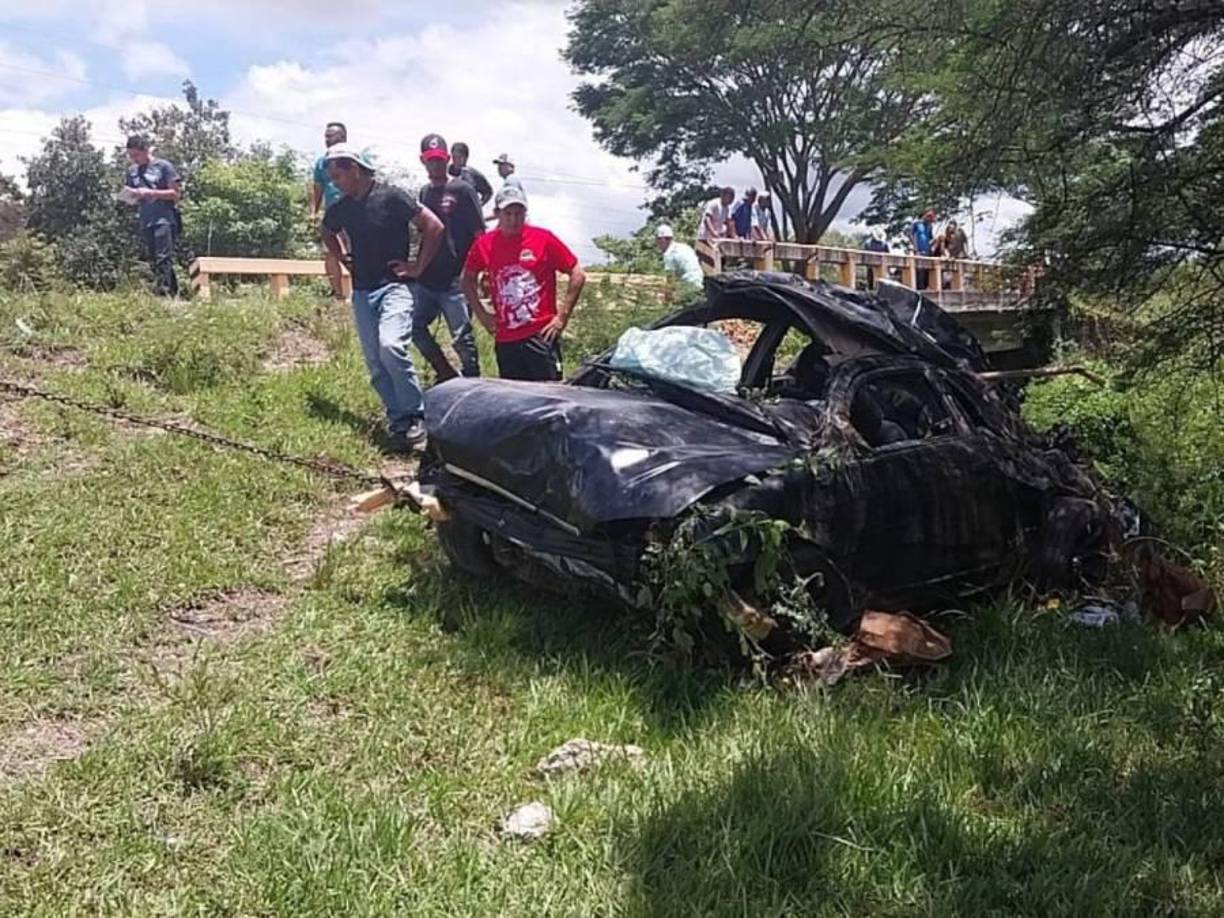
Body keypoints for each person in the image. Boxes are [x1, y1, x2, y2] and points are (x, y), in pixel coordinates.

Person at [322, 144, 445, 451]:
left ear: (355, 168)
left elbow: (433, 226)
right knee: (375, 362)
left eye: (338, 175)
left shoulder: (391, 196)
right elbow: (326, 231)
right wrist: (343, 257)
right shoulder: (342, 206)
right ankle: (399, 421)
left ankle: (417, 416)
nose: (334, 182)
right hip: (363, 291)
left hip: (395, 287)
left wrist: (417, 266)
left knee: (391, 347)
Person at [461, 185, 586, 381]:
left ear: (525, 213)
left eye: (519, 213)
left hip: (541, 334)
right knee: (514, 400)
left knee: (550, 397)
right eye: (508, 213)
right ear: (497, 214)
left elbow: (577, 273)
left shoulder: (543, 238)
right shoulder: (485, 244)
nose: (513, 219)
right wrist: (482, 314)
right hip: (506, 338)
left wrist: (562, 317)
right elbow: (467, 279)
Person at [414, 133, 482, 381]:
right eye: (430, 160)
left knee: (462, 338)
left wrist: (472, 272)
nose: (435, 165)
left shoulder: (463, 189)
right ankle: (445, 372)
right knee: (415, 328)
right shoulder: (424, 193)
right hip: (428, 276)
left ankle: (473, 382)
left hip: (455, 277)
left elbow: (479, 233)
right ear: (423, 161)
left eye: (440, 160)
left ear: (447, 159)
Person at [122, 135, 182, 297]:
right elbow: (130, 192)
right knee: (154, 260)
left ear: (146, 150)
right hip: (145, 219)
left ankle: (163, 294)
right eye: (130, 156)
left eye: (136, 155)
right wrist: (130, 197)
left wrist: (151, 192)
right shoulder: (132, 171)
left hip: (164, 218)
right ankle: (174, 293)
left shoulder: (163, 166)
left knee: (164, 257)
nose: (133, 159)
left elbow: (176, 194)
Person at [310, 121, 349, 299]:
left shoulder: (354, 158)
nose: (327, 139)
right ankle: (337, 294)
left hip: (355, 210)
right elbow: (317, 187)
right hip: (333, 213)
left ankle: (361, 291)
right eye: (326, 136)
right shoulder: (321, 162)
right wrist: (313, 211)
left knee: (358, 250)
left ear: (342, 137)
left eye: (331, 136)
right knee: (331, 252)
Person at [448, 141, 493, 206]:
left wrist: (479, 205)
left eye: (460, 157)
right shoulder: (445, 172)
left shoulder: (473, 174)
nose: (456, 160)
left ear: (466, 158)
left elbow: (488, 192)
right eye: (454, 157)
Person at [911, 208, 936, 290]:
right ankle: (919, 289)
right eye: (929, 216)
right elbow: (912, 236)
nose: (929, 219)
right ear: (924, 215)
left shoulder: (929, 226)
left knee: (926, 271)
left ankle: (925, 288)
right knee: (919, 271)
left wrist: (935, 242)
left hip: (927, 252)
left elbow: (931, 238)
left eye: (931, 217)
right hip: (919, 251)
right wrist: (915, 249)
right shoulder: (916, 224)